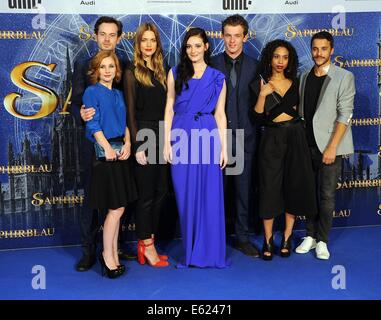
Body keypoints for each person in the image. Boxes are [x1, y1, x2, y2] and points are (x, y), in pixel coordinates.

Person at [71, 16, 134, 272]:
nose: (107, 39)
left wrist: (128, 140)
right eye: (102, 34)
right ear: (95, 36)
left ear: (118, 38)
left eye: (112, 34)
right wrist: (82, 114)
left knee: (117, 201)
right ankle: (89, 251)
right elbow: (77, 103)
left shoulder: (125, 67)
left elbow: (128, 107)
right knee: (93, 200)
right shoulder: (83, 66)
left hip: (120, 146)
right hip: (95, 147)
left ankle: (114, 248)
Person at [163, 27, 229, 268]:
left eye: (197, 46)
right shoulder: (175, 73)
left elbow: (220, 114)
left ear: (206, 47)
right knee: (185, 194)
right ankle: (191, 249)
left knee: (209, 194)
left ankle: (210, 252)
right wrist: (166, 141)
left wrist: (224, 148)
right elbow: (169, 107)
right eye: (188, 46)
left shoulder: (218, 77)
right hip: (180, 134)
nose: (193, 50)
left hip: (208, 135)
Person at [251, 39, 317, 261]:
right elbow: (257, 118)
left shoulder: (297, 82)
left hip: (296, 136)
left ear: (290, 60)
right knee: (270, 188)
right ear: (270, 58)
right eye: (276, 56)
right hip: (272, 137)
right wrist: (262, 95)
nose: (280, 61)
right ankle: (268, 240)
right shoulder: (259, 83)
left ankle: (287, 236)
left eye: (285, 57)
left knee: (294, 186)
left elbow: (303, 110)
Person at [295, 31, 355, 260]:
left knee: (327, 196)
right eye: (315, 49)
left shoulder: (344, 77)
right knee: (309, 194)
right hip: (306, 145)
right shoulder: (303, 76)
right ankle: (309, 235)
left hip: (330, 147)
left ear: (331, 50)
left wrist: (332, 147)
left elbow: (345, 115)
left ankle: (322, 240)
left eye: (323, 49)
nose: (318, 53)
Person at [83, 50, 137, 278]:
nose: (107, 71)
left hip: (120, 152)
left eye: (111, 67)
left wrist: (128, 143)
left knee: (120, 207)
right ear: (96, 71)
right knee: (114, 209)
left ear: (116, 71)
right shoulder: (91, 92)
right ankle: (107, 255)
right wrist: (106, 148)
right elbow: (93, 125)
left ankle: (113, 252)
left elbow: (124, 122)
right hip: (105, 155)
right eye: (103, 67)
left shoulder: (118, 94)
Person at [211, 14, 260, 257]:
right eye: (228, 35)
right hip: (216, 140)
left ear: (245, 37)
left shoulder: (256, 65)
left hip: (244, 139)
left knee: (243, 192)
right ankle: (215, 238)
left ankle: (242, 237)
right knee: (215, 193)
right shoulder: (209, 64)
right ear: (222, 36)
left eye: (237, 36)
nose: (232, 41)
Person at [123, 22, 169, 268]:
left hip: (163, 133)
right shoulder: (132, 71)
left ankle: (147, 241)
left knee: (161, 190)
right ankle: (147, 246)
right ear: (138, 44)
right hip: (144, 133)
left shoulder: (162, 70)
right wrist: (139, 143)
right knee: (146, 196)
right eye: (144, 40)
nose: (148, 44)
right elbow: (130, 112)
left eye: (152, 40)